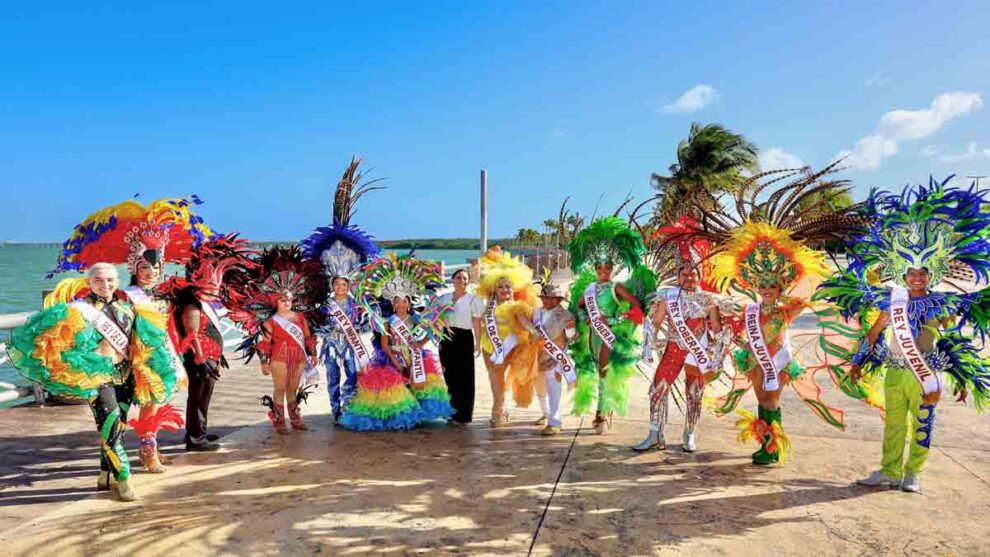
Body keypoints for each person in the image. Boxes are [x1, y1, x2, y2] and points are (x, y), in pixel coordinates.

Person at [817, 178, 990, 493]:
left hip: (925, 372)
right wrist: (857, 362)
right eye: (911, 272)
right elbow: (874, 333)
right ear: (903, 275)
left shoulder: (940, 302)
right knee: (894, 424)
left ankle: (913, 473)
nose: (916, 276)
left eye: (923, 271)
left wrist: (961, 377)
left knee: (922, 425)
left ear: (931, 274)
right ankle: (889, 469)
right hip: (895, 371)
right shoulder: (891, 302)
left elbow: (952, 337)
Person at [47, 196, 213, 473]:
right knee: (134, 408)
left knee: (157, 405)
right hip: (134, 359)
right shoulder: (125, 295)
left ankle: (149, 449)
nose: (151, 272)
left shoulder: (165, 294)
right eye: (145, 267)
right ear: (134, 268)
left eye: (156, 267)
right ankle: (127, 459)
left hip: (163, 355)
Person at [9, 263, 178, 501]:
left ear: (117, 282)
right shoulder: (77, 311)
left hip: (126, 376)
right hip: (97, 378)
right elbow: (56, 342)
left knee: (117, 426)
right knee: (108, 426)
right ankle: (124, 478)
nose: (105, 284)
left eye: (110, 280)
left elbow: (144, 342)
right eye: (98, 280)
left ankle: (104, 474)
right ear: (89, 282)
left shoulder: (129, 308)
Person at [158, 234, 258, 451]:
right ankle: (195, 439)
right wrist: (202, 358)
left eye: (217, 279)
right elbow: (192, 333)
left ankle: (198, 431)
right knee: (198, 397)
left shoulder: (204, 300)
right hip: (199, 359)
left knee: (203, 397)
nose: (215, 283)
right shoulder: (191, 300)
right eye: (210, 278)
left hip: (209, 357)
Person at [299, 156, 381, 422]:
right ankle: (336, 410)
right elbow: (317, 323)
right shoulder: (325, 304)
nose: (340, 285)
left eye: (344, 283)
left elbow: (368, 324)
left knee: (354, 377)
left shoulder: (357, 303)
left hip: (352, 345)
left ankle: (351, 408)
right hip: (332, 347)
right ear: (332, 284)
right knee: (332, 378)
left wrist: (362, 323)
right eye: (337, 283)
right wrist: (325, 329)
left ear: (349, 283)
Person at [337, 254, 455, 430]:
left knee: (418, 385)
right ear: (393, 305)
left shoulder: (415, 318)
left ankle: (417, 415)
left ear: (408, 303)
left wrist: (420, 344)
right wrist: (397, 364)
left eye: (404, 301)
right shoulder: (387, 321)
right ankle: (399, 418)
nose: (400, 304)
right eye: (397, 301)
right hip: (392, 357)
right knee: (395, 391)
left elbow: (432, 328)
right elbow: (385, 345)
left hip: (414, 355)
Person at [568, 217, 656, 434]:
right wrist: (584, 317)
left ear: (612, 269)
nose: (603, 271)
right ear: (596, 269)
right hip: (593, 335)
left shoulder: (616, 288)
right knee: (596, 371)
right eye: (600, 268)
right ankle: (605, 410)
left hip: (610, 334)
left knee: (604, 371)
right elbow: (578, 308)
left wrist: (614, 320)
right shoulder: (588, 288)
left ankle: (602, 412)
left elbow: (637, 308)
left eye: (607, 268)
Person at [226, 246, 327, 433]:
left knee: (293, 388)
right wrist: (264, 363)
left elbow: (307, 337)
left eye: (288, 300)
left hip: (298, 355)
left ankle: (295, 419)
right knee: (280, 388)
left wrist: (313, 354)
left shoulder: (301, 317)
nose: (286, 303)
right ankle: (280, 421)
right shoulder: (271, 321)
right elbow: (264, 343)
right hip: (279, 357)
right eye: (282, 300)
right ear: (275, 302)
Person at [476, 247, 541, 428]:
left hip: (510, 346)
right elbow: (479, 323)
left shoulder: (517, 306)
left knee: (502, 375)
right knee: (494, 377)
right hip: (489, 345)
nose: (504, 289)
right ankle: (500, 406)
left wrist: (534, 331)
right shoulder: (486, 305)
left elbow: (525, 323)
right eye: (500, 286)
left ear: (513, 289)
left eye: (507, 286)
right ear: (494, 289)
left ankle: (498, 409)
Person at [435, 268, 484, 426]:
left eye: (464, 278)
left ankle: (463, 415)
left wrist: (478, 342)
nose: (461, 281)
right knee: (449, 376)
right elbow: (435, 318)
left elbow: (476, 322)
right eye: (458, 277)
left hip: (464, 338)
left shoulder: (473, 300)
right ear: (453, 279)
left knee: (465, 377)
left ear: (468, 281)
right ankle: (453, 411)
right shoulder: (443, 298)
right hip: (446, 338)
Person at [531, 271, 576, 436]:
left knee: (554, 388)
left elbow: (571, 338)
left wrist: (571, 330)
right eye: (545, 297)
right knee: (540, 388)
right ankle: (546, 413)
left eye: (551, 298)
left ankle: (555, 422)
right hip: (537, 357)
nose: (547, 300)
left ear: (558, 300)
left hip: (555, 357)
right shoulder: (536, 313)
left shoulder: (566, 316)